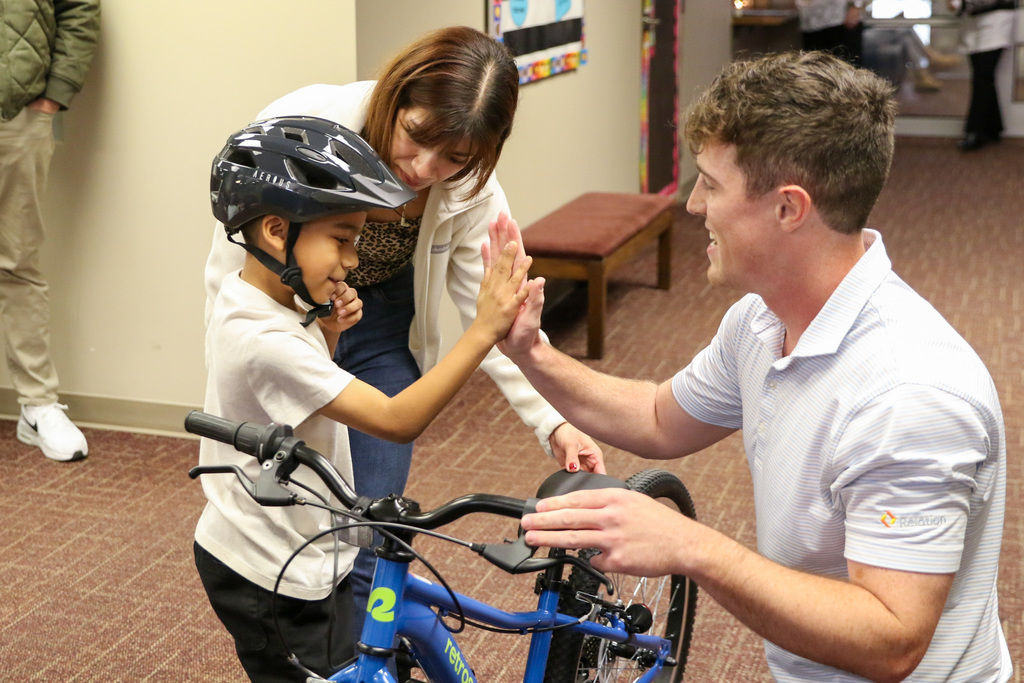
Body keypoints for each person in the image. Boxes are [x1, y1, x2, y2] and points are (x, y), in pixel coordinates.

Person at [504, 51, 1011, 682]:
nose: (694, 205)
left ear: (788, 208)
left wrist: (691, 546)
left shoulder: (909, 395)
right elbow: (659, 417)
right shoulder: (761, 319)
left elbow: (890, 641)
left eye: (711, 185)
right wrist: (532, 352)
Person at [203, 25, 605, 636]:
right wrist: (238, 370)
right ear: (396, 96)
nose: (424, 168)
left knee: (371, 522)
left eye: (454, 158)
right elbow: (235, 267)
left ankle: (371, 651)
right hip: (292, 316)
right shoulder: (304, 127)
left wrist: (554, 419)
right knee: (294, 503)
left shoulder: (471, 187)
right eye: (416, 136)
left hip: (380, 322)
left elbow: (498, 314)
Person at [195, 116, 532, 682]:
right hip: (273, 571)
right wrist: (483, 330)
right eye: (342, 240)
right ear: (276, 232)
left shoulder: (260, 297)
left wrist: (327, 333)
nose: (353, 261)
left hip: (295, 542)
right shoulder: (262, 338)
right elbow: (396, 419)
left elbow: (296, 398)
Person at [1, 0, 100, 462]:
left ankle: (37, 405)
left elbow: (79, 8)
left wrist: (54, 94)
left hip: (16, 114)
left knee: (16, 262)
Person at [951, 0, 1018, 150]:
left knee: (982, 77)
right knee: (984, 78)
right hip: (972, 22)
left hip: (996, 20)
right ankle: (993, 128)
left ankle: (975, 131)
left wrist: (959, 3)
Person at [796, 0, 865, 64]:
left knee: (845, 64)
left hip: (840, 21)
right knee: (814, 65)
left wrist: (856, 6)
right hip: (810, 24)